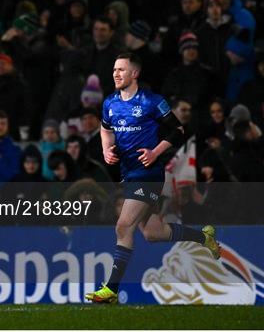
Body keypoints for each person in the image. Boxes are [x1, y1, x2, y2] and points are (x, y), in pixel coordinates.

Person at [85, 53, 220, 304]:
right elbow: (105, 129)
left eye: (121, 70)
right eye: (114, 69)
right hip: (129, 175)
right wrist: (106, 148)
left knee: (123, 226)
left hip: (149, 175)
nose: (115, 73)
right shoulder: (110, 103)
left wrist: (155, 151)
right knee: (153, 233)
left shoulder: (152, 101)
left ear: (134, 73)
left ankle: (111, 290)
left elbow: (178, 130)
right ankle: (204, 237)